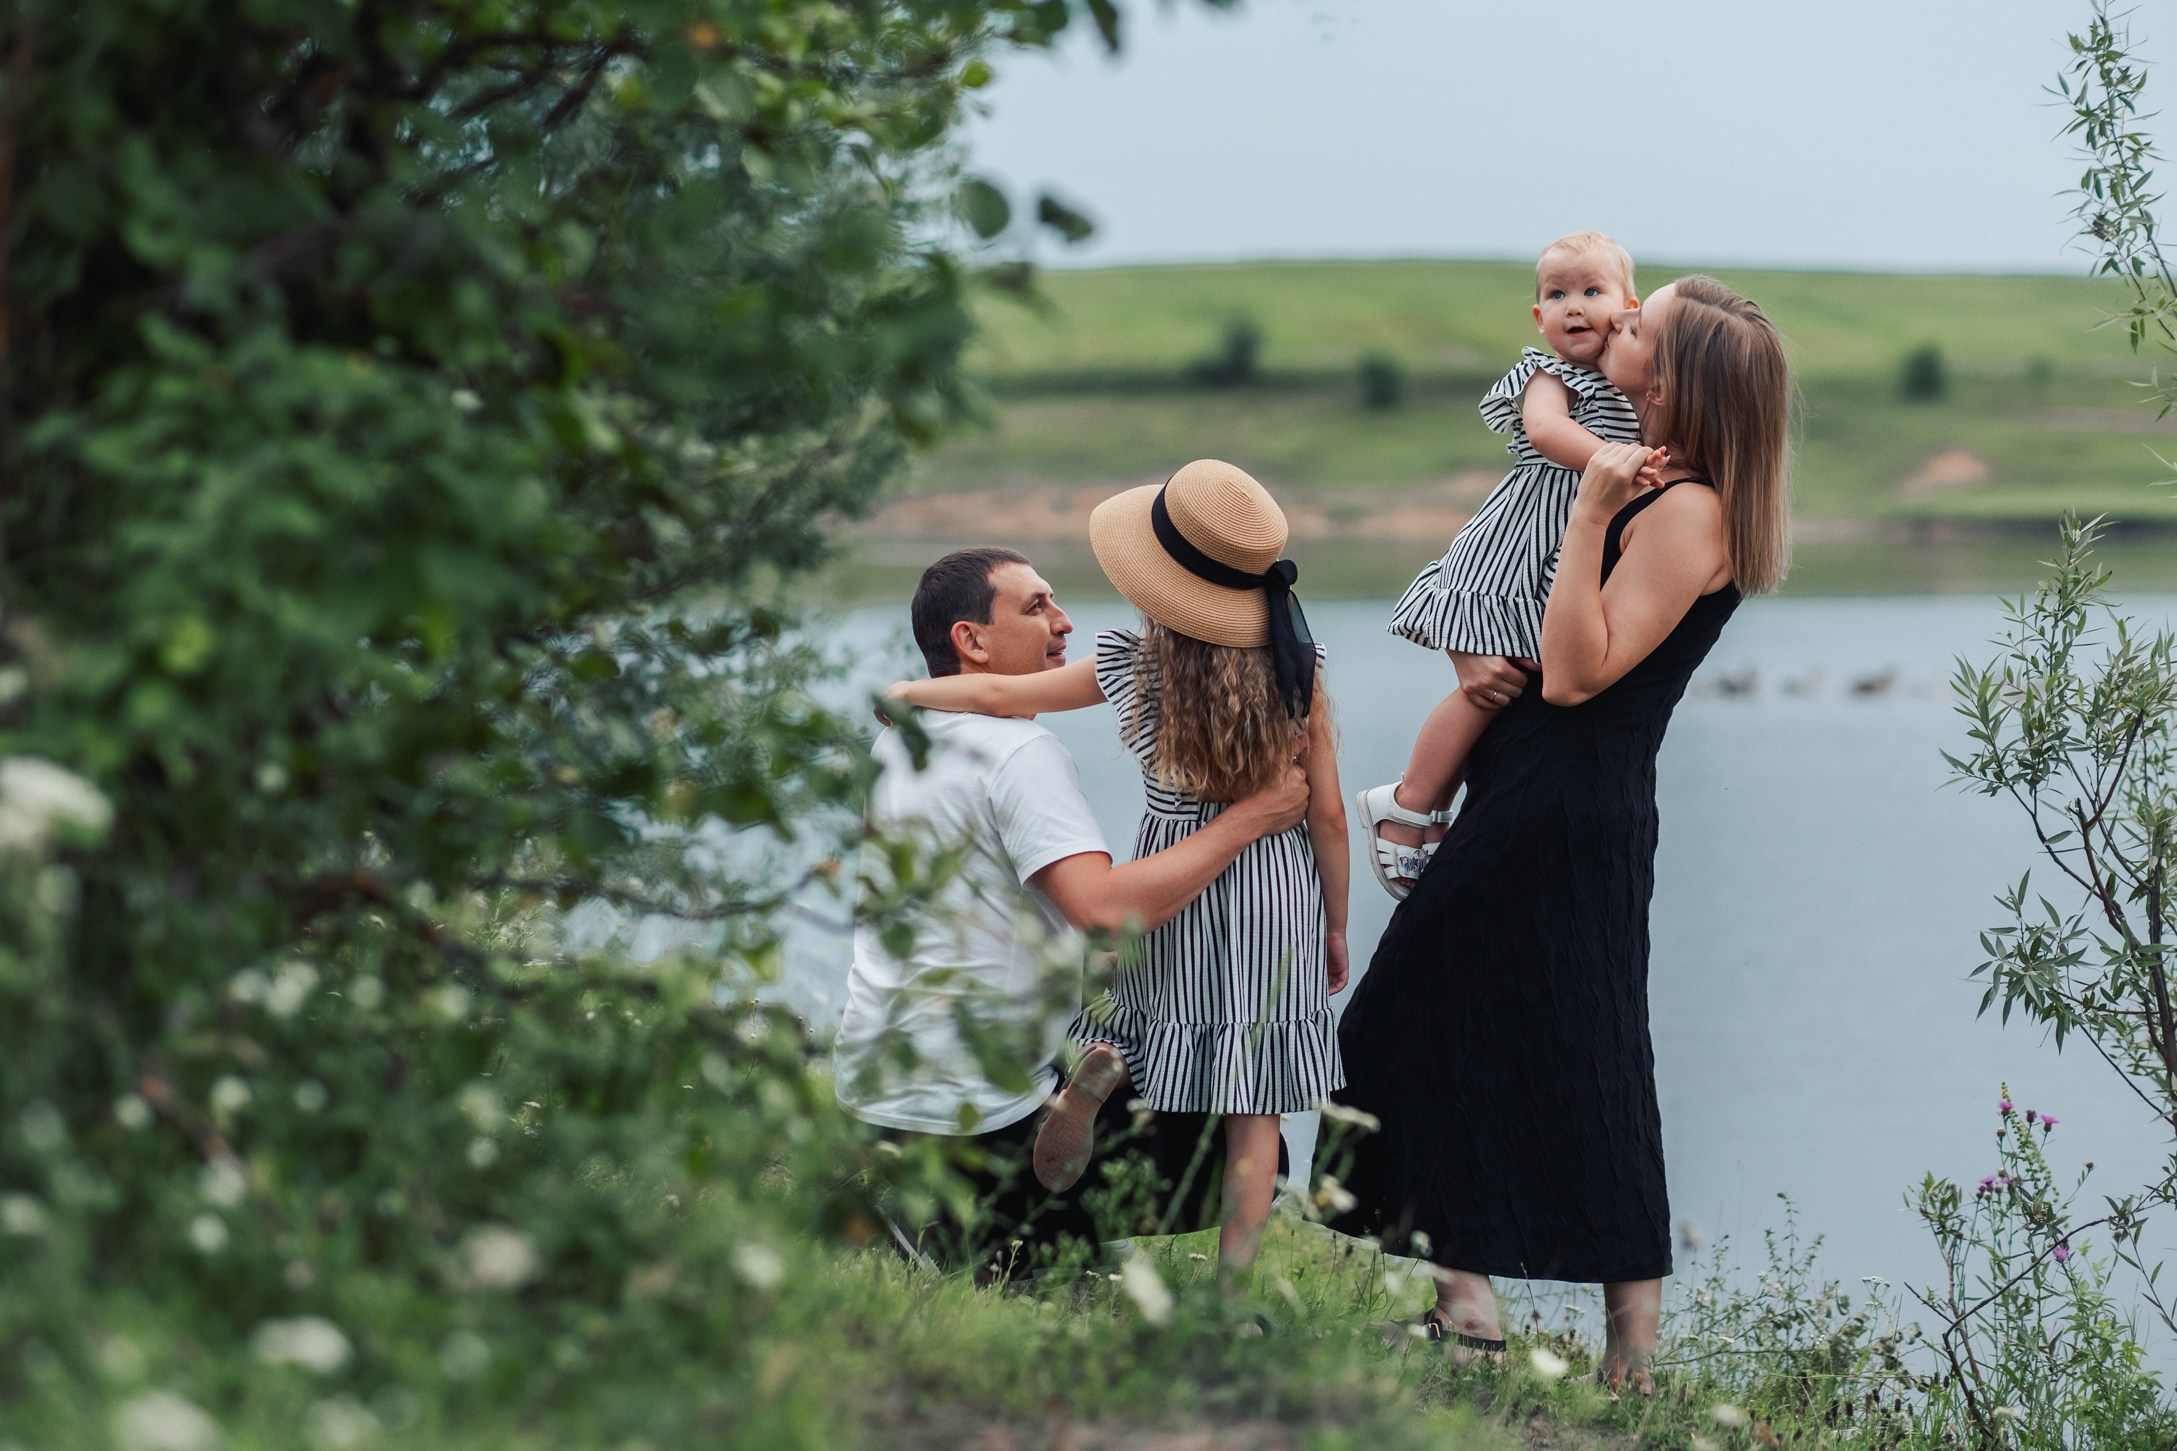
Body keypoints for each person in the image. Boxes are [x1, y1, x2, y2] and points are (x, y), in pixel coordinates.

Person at [1325, 277, 1792, 1390]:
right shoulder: (1655, 471)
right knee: (1576, 1042)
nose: (1614, 325)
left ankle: (1519, 1322)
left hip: (1562, 800)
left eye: (1637, 327)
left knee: (1414, 1019)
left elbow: (1578, 675)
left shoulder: (1682, 509)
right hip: (1550, 791)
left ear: (1676, 381)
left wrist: (1588, 507)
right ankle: (1540, 1329)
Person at [887, 461, 1349, 1280]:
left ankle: (1097, 1066)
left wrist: (911, 692)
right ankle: (1230, 1284)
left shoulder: (1131, 663)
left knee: (1129, 1004)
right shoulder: (1299, 671)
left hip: (1172, 871)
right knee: (1254, 1108)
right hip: (1274, 892)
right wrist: (1336, 923)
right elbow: (1329, 815)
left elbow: (999, 694)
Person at [1358, 231, 1644, 898]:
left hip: (1561, 552)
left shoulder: (1632, 383)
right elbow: (1544, 432)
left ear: (1629, 309)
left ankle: (1437, 809)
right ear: (1537, 318)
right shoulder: (1550, 377)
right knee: (1485, 685)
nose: (1574, 306)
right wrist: (1614, 462)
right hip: (1514, 551)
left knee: (1512, 685)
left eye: (1592, 291)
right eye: (1556, 294)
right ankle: (1405, 802)